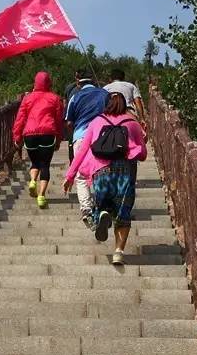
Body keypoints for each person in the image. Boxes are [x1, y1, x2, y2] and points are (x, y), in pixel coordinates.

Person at [62, 92, 147, 265]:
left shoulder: (96, 121)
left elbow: (83, 150)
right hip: (126, 171)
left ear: (106, 105)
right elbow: (143, 154)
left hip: (100, 170)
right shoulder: (132, 123)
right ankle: (118, 252)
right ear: (125, 105)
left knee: (104, 203)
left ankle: (102, 213)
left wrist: (70, 175)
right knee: (123, 212)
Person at [11, 71, 64, 208]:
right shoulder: (55, 98)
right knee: (45, 165)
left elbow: (20, 118)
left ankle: (33, 180)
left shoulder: (27, 98)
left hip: (30, 134)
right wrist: (58, 138)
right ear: (49, 83)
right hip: (48, 133)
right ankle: (41, 196)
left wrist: (17, 136)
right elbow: (58, 121)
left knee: (35, 162)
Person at [63, 69, 109, 221]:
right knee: (101, 171)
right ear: (93, 81)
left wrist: (72, 134)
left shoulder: (75, 97)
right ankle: (103, 206)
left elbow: (69, 122)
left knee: (81, 176)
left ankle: (87, 210)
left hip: (81, 137)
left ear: (78, 82)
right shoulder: (104, 94)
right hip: (103, 136)